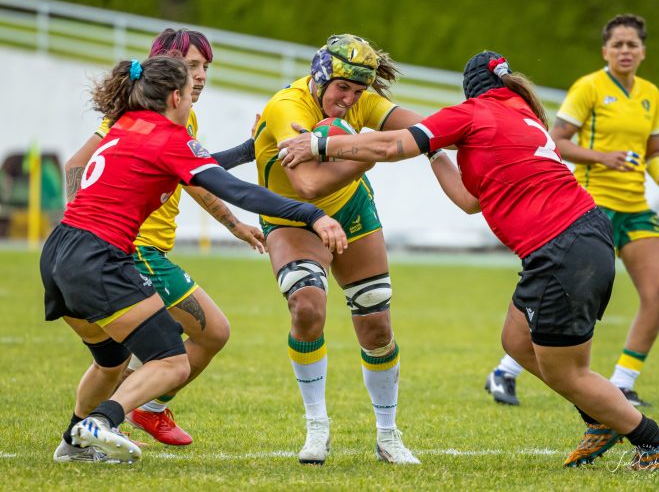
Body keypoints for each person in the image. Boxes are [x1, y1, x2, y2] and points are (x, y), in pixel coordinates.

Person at [278, 51, 659, 471]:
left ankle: (653, 441)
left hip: (561, 247)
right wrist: (434, 153)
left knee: (568, 372)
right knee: (517, 342)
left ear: (470, 89)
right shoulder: (522, 111)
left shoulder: (473, 111)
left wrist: (321, 142)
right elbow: (471, 202)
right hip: (577, 238)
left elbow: (390, 144)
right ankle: (600, 417)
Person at [45, 55, 346, 464]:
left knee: (111, 360)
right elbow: (236, 191)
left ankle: (72, 444)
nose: (193, 100)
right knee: (171, 362)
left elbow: (198, 169)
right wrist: (312, 214)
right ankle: (102, 421)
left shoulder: (126, 125)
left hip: (59, 250)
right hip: (99, 256)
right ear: (175, 96)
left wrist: (251, 145)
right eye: (190, 92)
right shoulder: (170, 137)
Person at [62, 28, 263, 449]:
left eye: (206, 66)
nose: (202, 75)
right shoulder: (140, 113)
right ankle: (139, 410)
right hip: (134, 251)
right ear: (166, 71)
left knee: (112, 362)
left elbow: (195, 174)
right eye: (192, 66)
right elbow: (77, 165)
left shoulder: (182, 114)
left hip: (119, 252)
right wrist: (85, 225)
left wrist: (235, 223)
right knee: (213, 334)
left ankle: (78, 438)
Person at [486, 14, 659, 412]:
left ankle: (623, 381)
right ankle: (505, 368)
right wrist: (603, 158)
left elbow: (654, 152)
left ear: (643, 51)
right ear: (605, 50)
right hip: (589, 207)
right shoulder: (588, 87)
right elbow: (556, 141)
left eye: (632, 44)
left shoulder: (650, 94)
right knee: (569, 299)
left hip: (635, 208)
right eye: (618, 44)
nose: (625, 51)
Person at [253, 34, 426, 465]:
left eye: (358, 91)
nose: (349, 99)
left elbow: (424, 128)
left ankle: (388, 435)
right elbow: (307, 185)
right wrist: (367, 157)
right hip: (291, 215)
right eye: (341, 88)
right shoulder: (287, 107)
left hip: (349, 209)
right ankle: (317, 428)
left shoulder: (358, 103)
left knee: (376, 322)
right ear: (319, 77)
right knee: (307, 307)